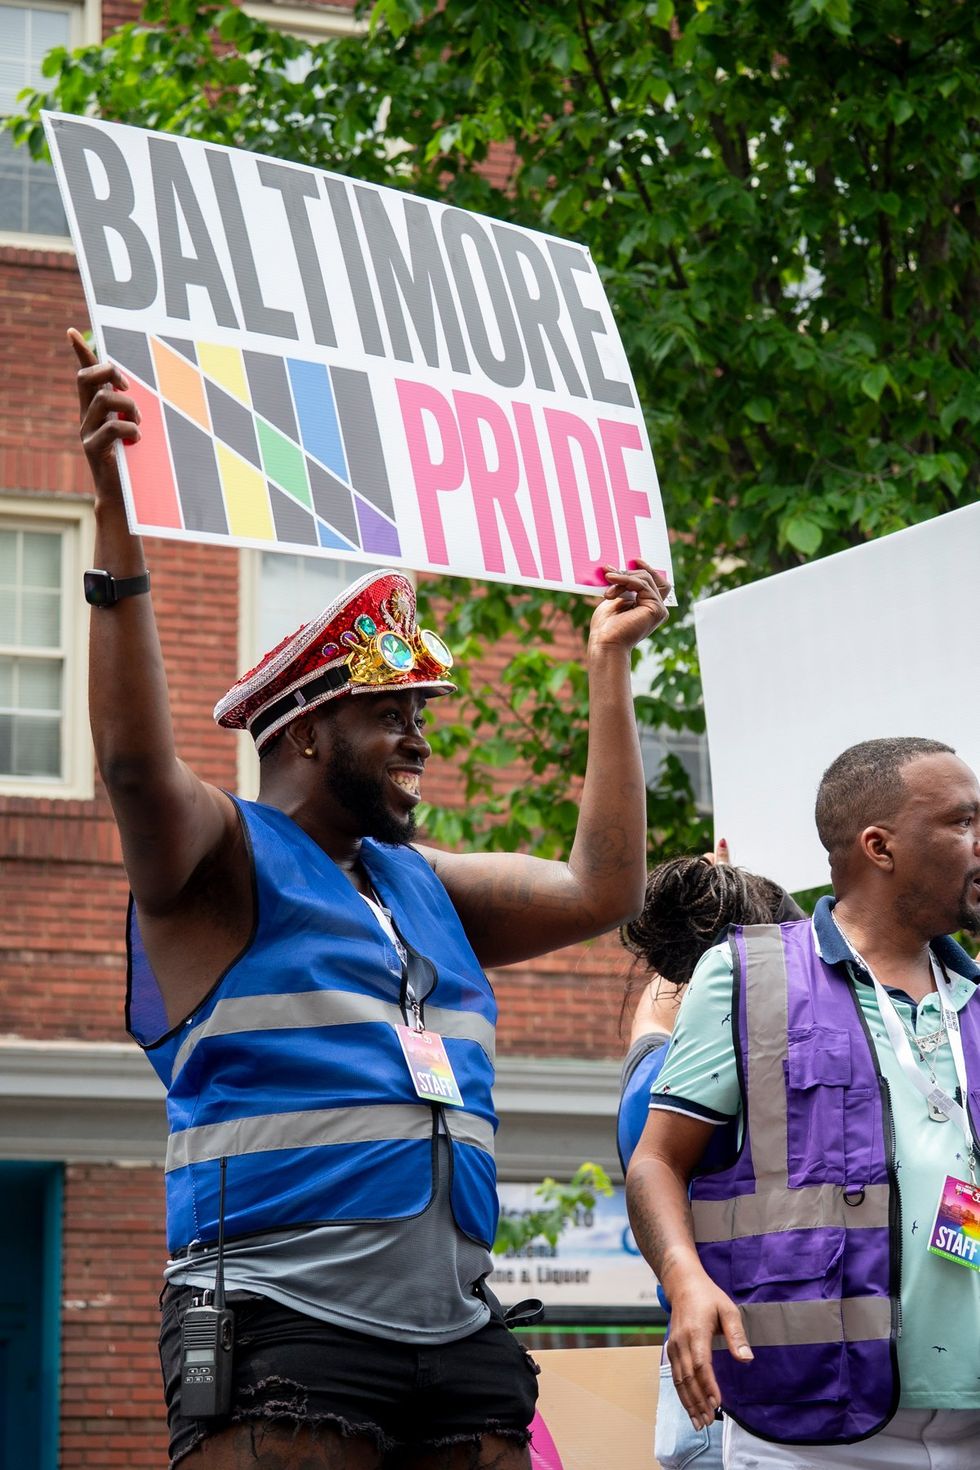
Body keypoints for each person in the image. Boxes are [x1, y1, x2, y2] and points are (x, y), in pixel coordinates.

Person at [68, 327, 671, 1470]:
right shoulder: (218, 862)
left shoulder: (419, 882)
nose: (418, 741)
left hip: (458, 1329)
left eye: (423, 716)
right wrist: (113, 511)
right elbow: (138, 770)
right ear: (304, 728)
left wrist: (608, 672)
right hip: (283, 1329)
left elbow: (604, 887)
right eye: (390, 714)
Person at [626, 737, 980, 1470]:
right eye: (962, 822)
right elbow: (655, 1161)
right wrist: (684, 1281)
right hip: (808, 1423)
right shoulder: (750, 976)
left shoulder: (974, 999)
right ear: (879, 846)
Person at [616, 852, 803, 1470]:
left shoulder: (649, 1077)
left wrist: (712, 908)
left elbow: (656, 1008)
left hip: (692, 1384)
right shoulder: (775, 1079)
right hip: (756, 1384)